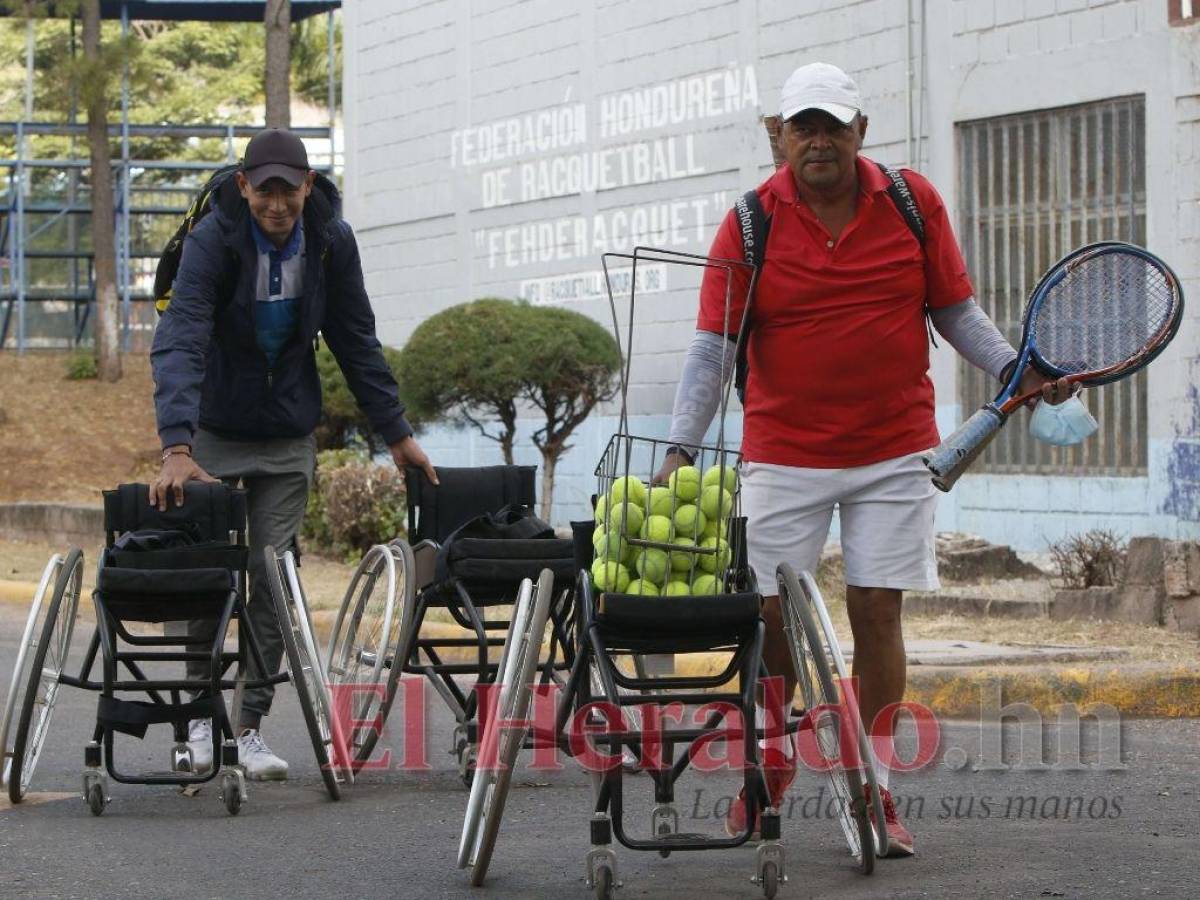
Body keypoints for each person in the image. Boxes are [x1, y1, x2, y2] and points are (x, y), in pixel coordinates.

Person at [655, 63, 1072, 855]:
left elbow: (954, 309)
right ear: (777, 136)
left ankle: (876, 787)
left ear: (860, 133)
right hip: (783, 451)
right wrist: (679, 447)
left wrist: (1017, 368)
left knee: (878, 611)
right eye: (802, 127)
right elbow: (712, 347)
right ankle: (772, 761)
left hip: (894, 450)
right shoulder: (749, 222)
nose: (820, 140)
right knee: (767, 614)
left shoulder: (911, 204)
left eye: (833, 126)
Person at [149, 127, 436, 780]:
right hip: (215, 431)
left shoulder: (331, 242)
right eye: (265, 189)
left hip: (285, 437)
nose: (277, 204)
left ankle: (246, 728)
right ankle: (197, 724)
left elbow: (356, 339)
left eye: (290, 189)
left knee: (273, 576)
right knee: (207, 575)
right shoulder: (214, 240)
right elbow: (183, 334)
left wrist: (397, 434)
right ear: (245, 186)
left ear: (309, 186)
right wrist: (176, 444)